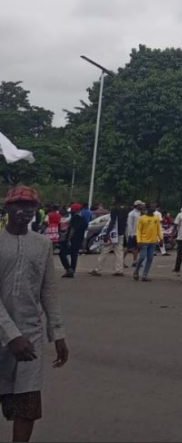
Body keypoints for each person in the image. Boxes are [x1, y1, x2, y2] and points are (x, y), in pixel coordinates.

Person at [0, 185, 68, 443]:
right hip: (4, 334)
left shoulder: (41, 245)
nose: (24, 211)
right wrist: (11, 336)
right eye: (18, 205)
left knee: (27, 404)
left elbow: (48, 291)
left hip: (31, 335)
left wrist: (58, 333)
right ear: (7, 208)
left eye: (29, 206)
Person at [89, 197, 126, 277]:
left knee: (105, 250)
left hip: (113, 233)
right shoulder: (125, 210)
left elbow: (112, 222)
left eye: (113, 200)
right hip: (121, 233)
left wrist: (107, 234)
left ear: (116, 201)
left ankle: (97, 269)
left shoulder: (114, 209)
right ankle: (119, 270)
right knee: (119, 252)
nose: (111, 201)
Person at [133, 202, 162, 282]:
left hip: (153, 241)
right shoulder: (142, 218)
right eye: (151, 207)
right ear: (147, 208)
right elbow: (138, 230)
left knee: (150, 258)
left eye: (154, 207)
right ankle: (136, 271)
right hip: (144, 241)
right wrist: (138, 241)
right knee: (142, 257)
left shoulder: (156, 218)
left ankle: (145, 275)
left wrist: (161, 238)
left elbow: (158, 229)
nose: (153, 209)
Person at [60, 203, 87, 278]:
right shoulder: (83, 218)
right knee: (74, 255)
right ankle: (71, 270)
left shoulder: (75, 218)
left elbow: (72, 229)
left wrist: (68, 239)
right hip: (79, 238)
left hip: (73, 239)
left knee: (62, 253)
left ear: (74, 210)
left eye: (72, 210)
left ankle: (68, 269)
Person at [125, 201, 143, 269]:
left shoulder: (139, 213)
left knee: (136, 248)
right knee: (128, 248)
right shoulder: (131, 214)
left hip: (137, 233)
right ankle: (122, 261)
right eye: (140, 205)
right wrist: (131, 234)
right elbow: (129, 224)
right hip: (132, 233)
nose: (141, 206)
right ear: (137, 205)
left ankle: (135, 262)